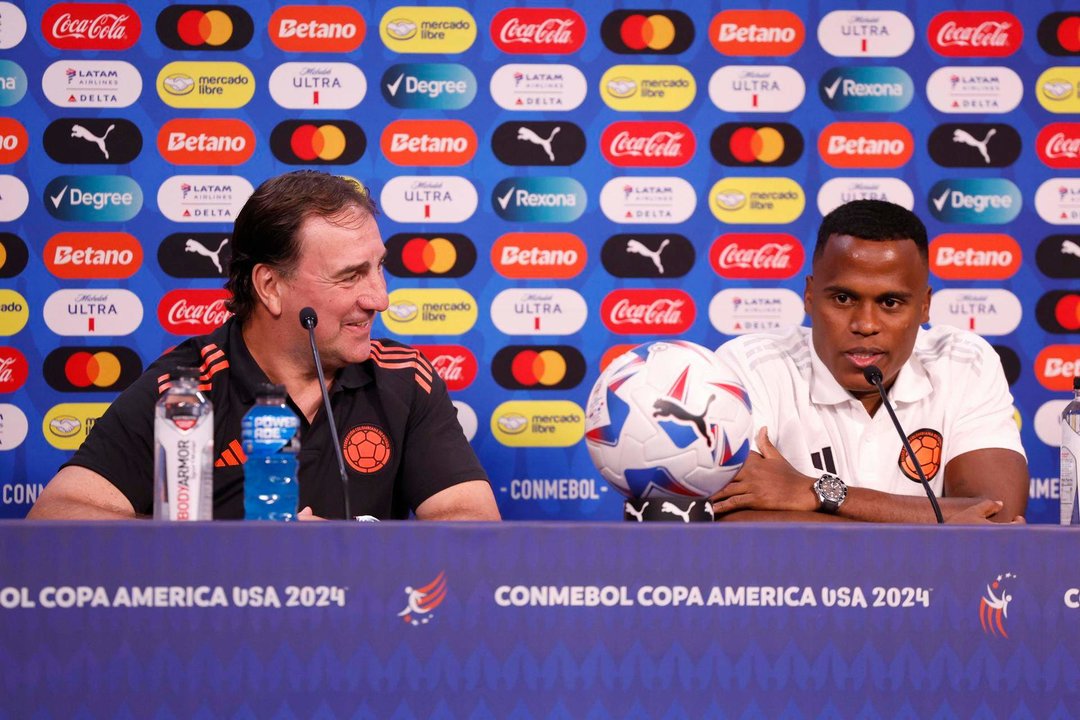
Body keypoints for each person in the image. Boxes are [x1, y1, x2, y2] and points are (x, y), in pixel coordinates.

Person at [28, 171, 500, 521]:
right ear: (270, 286)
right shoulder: (187, 387)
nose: (380, 297)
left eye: (379, 267)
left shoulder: (403, 376)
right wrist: (235, 556)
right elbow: (58, 515)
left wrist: (359, 554)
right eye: (351, 275)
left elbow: (473, 522)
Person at [710, 199, 1028, 524]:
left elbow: (997, 518)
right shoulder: (751, 366)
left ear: (924, 307)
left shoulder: (964, 362)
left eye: (890, 302)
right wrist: (934, 528)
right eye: (843, 299)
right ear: (809, 295)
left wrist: (814, 492)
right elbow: (739, 522)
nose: (865, 324)